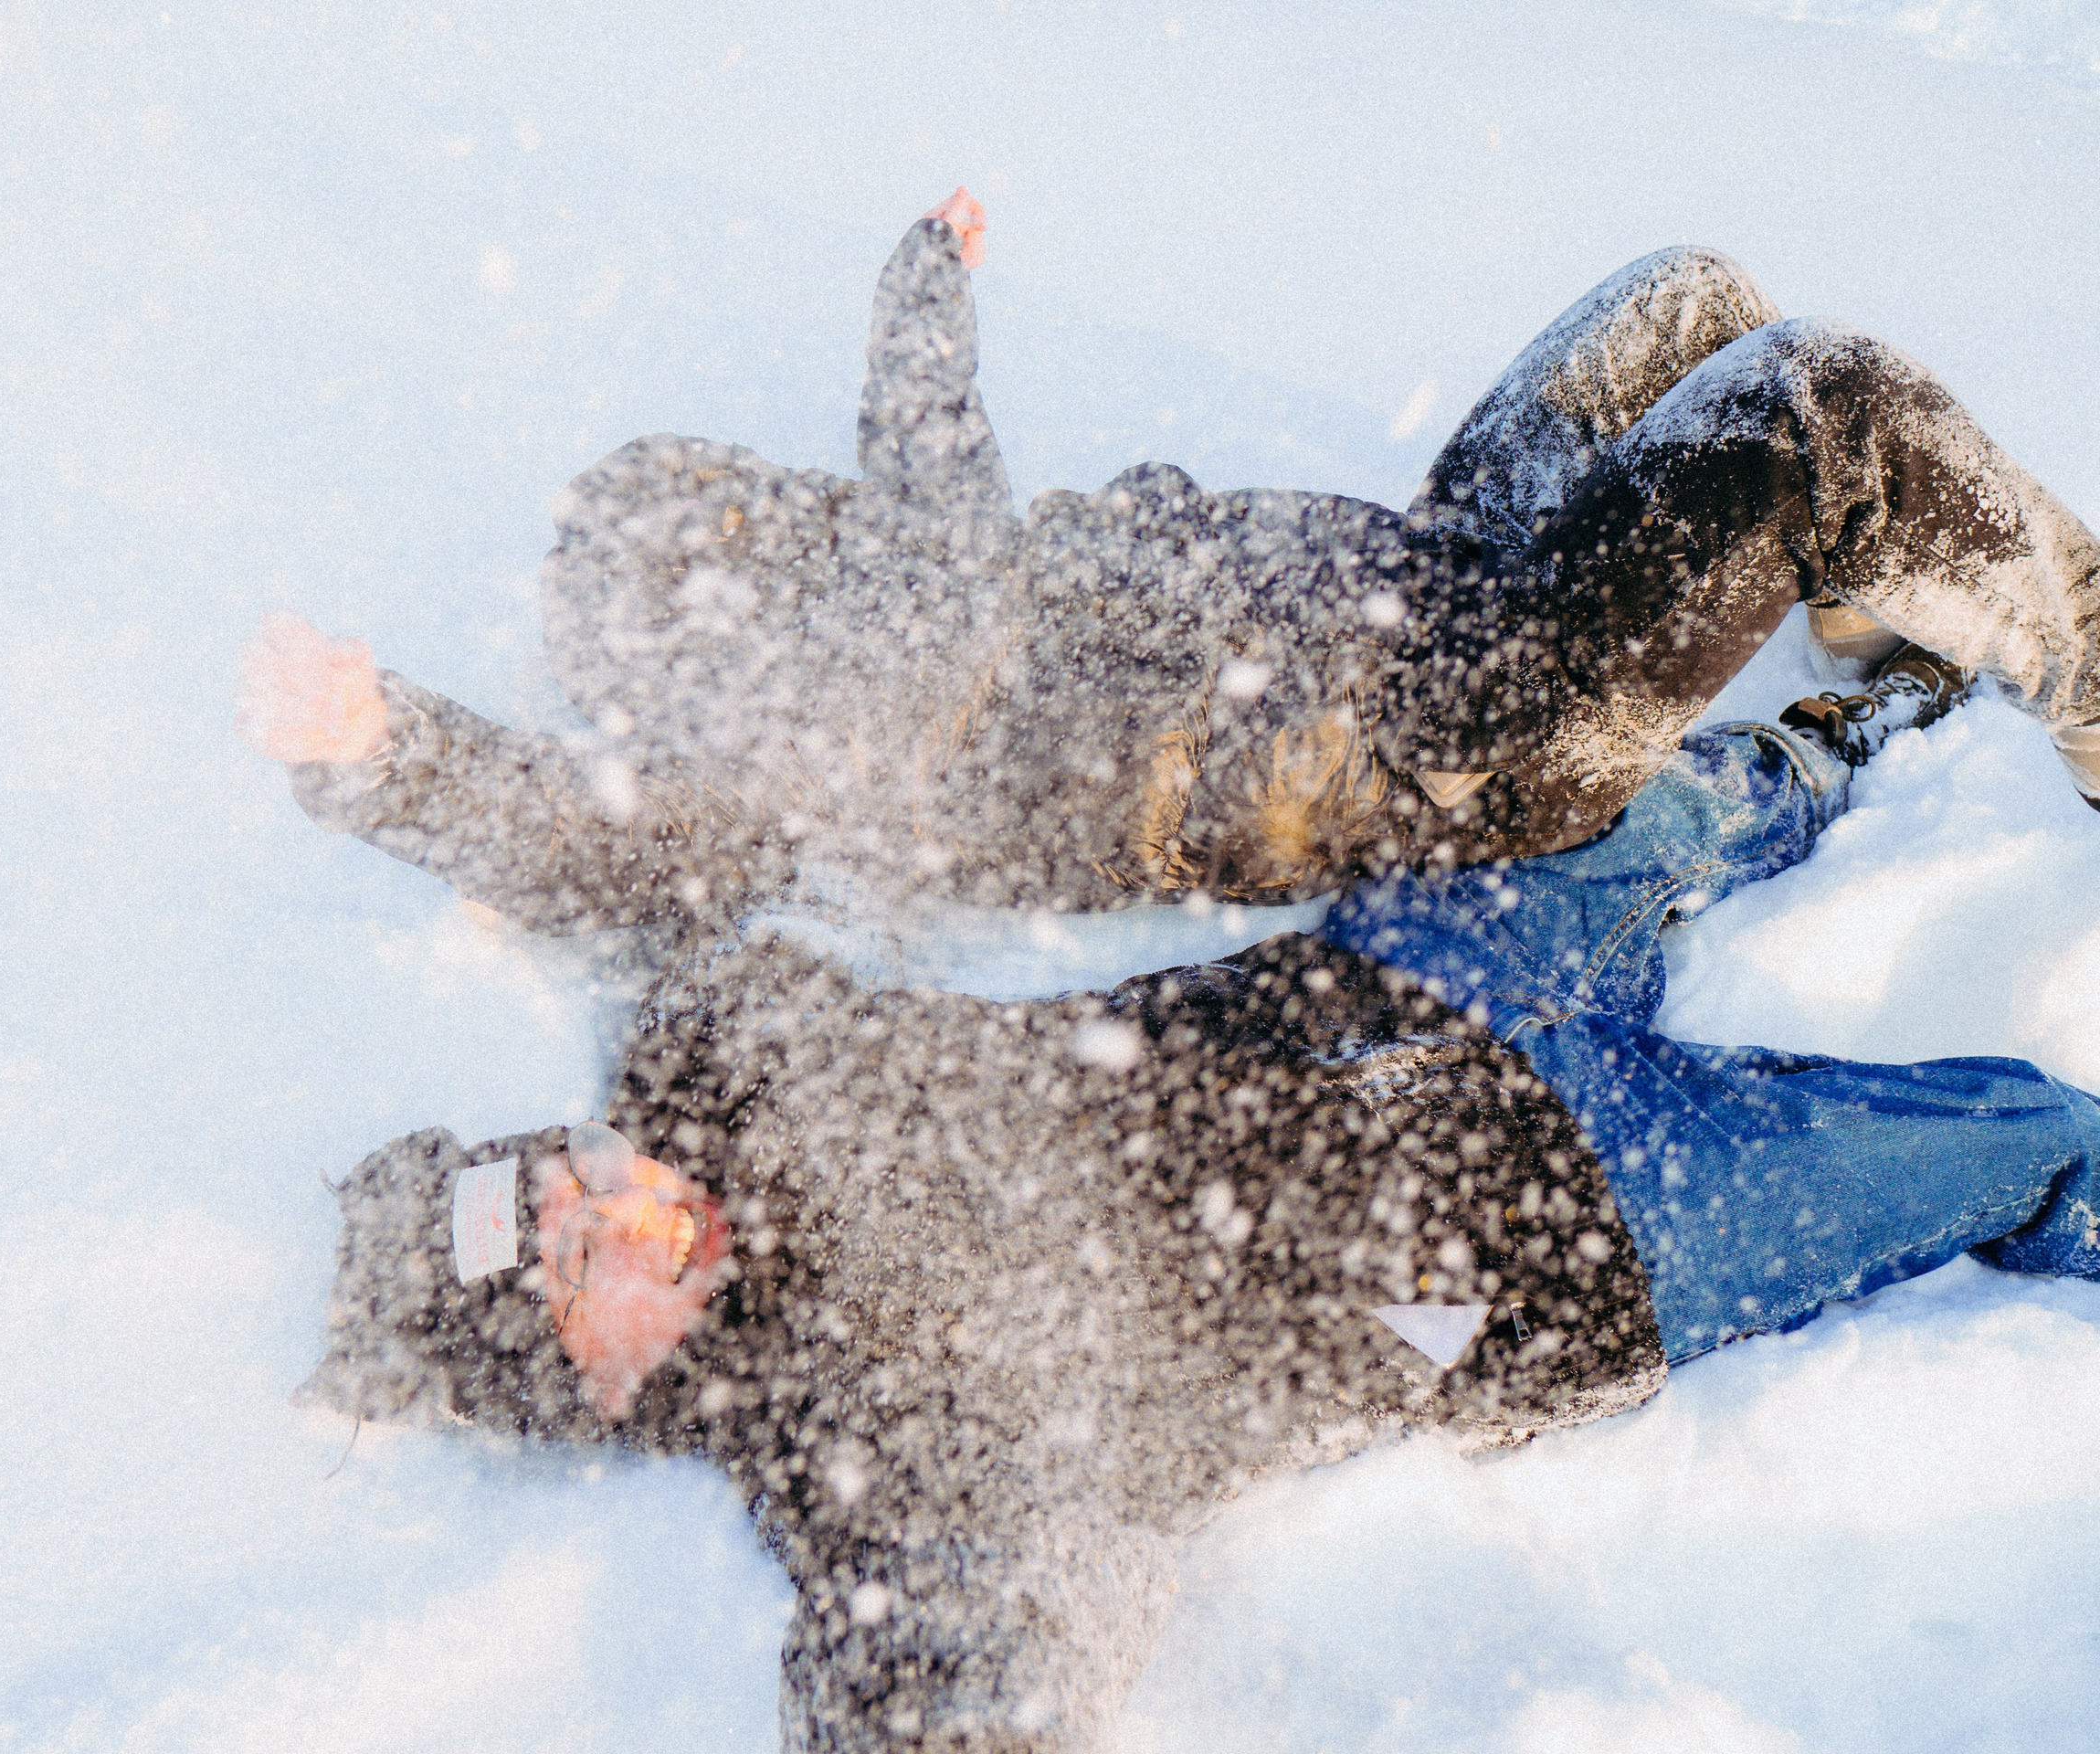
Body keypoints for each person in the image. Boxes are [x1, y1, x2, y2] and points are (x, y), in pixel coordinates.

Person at [248, 195, 2100, 1753]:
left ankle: (1843, 744)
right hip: (1545, 1231)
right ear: (596, 1388)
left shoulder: (715, 1067)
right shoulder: (844, 1435)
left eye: (572, 1184)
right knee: (2015, 1138)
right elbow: (935, 1669)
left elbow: (632, 874)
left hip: (1409, 966)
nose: (626, 1213)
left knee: (1683, 804)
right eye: (587, 1272)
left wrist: (384, 753)